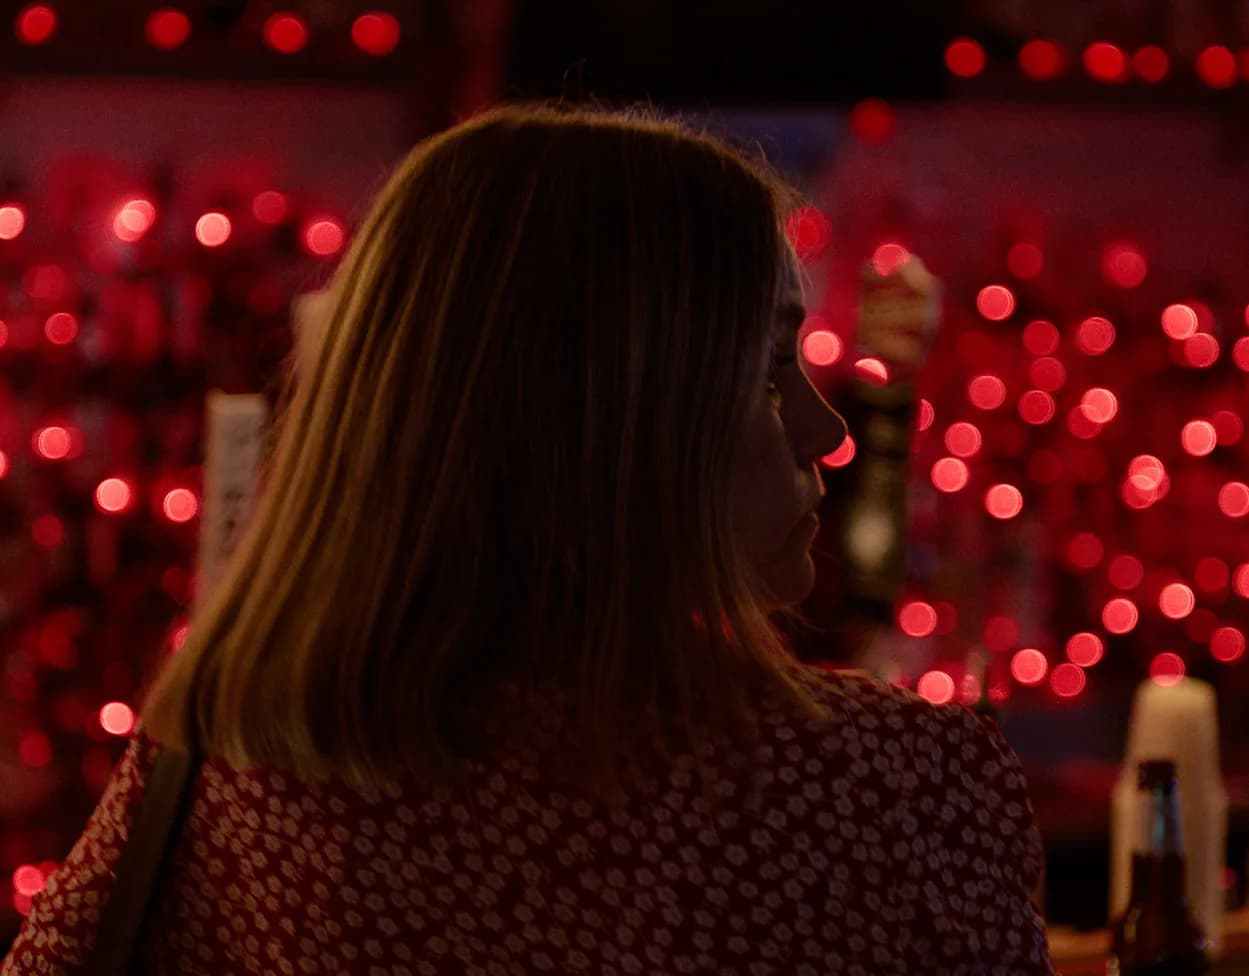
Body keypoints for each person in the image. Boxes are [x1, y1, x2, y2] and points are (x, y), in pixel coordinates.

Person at [1, 103, 1055, 974]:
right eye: (769, 369)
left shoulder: (223, 759)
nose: (825, 430)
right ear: (604, 419)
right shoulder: (897, 794)